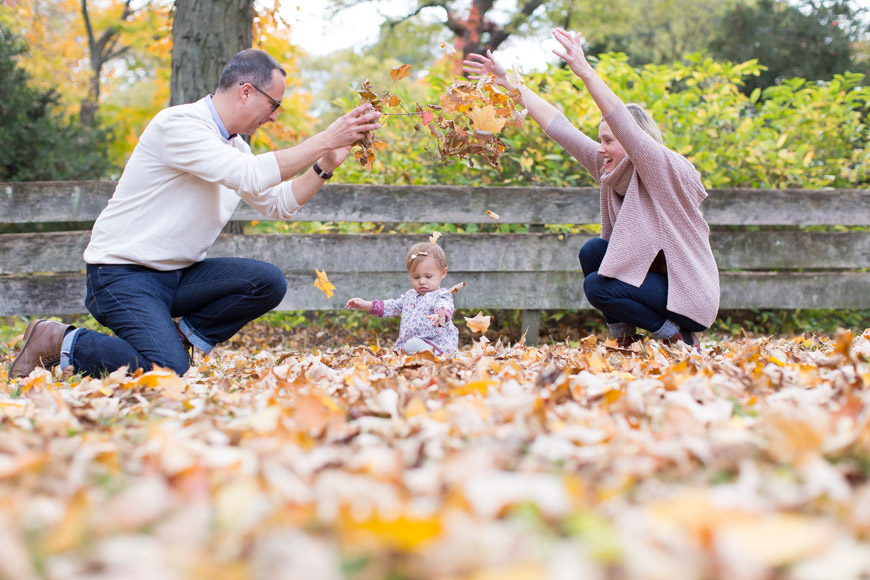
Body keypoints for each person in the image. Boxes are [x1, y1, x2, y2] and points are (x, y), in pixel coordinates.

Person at [9, 48, 381, 379]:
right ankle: (59, 339)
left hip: (176, 277)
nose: (273, 117)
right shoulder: (180, 125)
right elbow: (251, 176)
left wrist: (324, 164)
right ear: (246, 91)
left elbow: (277, 204)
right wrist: (327, 136)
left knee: (267, 281)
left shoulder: (235, 148)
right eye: (274, 105)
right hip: (121, 275)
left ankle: (177, 339)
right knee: (170, 372)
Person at [464, 29, 720, 349]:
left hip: (691, 294)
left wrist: (585, 71)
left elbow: (621, 120)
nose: (601, 148)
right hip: (657, 286)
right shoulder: (609, 171)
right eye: (600, 139)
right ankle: (625, 340)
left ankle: (677, 335)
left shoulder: (661, 169)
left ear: (631, 141)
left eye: (609, 140)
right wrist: (512, 85)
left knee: (598, 287)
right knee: (592, 252)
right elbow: (559, 126)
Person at [345, 241, 459, 356]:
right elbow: (392, 306)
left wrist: (441, 315)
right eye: (416, 277)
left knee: (412, 345)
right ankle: (413, 354)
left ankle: (441, 355)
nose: (422, 281)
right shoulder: (410, 296)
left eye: (428, 276)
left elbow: (445, 305)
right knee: (409, 346)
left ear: (443, 273)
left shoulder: (440, 295)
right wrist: (367, 305)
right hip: (411, 343)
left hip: (436, 344)